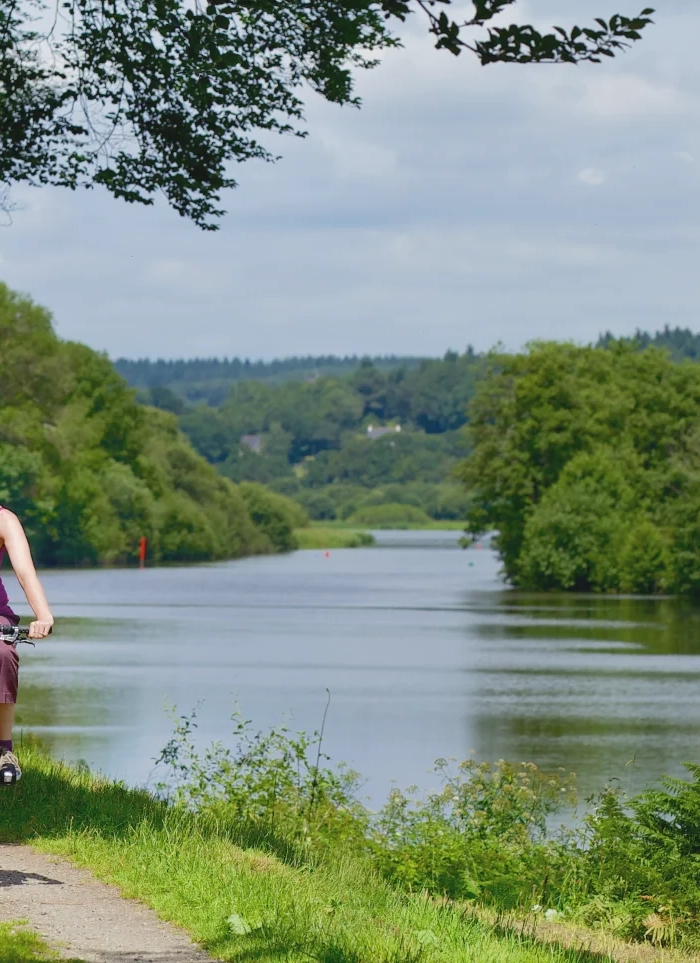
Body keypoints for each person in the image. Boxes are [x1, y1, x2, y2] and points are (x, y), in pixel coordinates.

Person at [0, 506, 54, 784]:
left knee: (3, 654)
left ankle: (3, 750)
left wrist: (43, 615)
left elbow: (25, 573)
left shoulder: (5, 520)